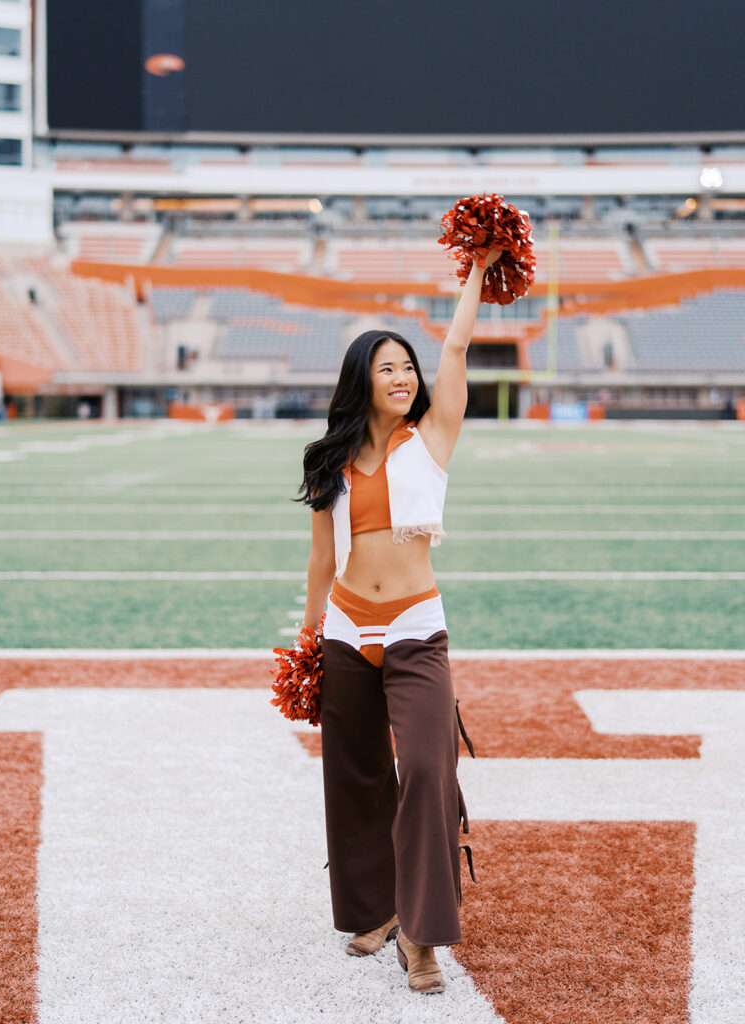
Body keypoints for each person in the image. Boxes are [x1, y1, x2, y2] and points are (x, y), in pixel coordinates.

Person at [296, 249, 502, 994]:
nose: (403, 376)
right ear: (362, 379)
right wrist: (310, 636)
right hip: (349, 630)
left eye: (406, 367)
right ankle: (373, 912)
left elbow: (455, 347)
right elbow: (322, 558)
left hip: (416, 626)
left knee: (425, 767)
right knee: (352, 777)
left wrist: (478, 268)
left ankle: (422, 934)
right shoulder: (331, 459)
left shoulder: (433, 439)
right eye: (387, 368)